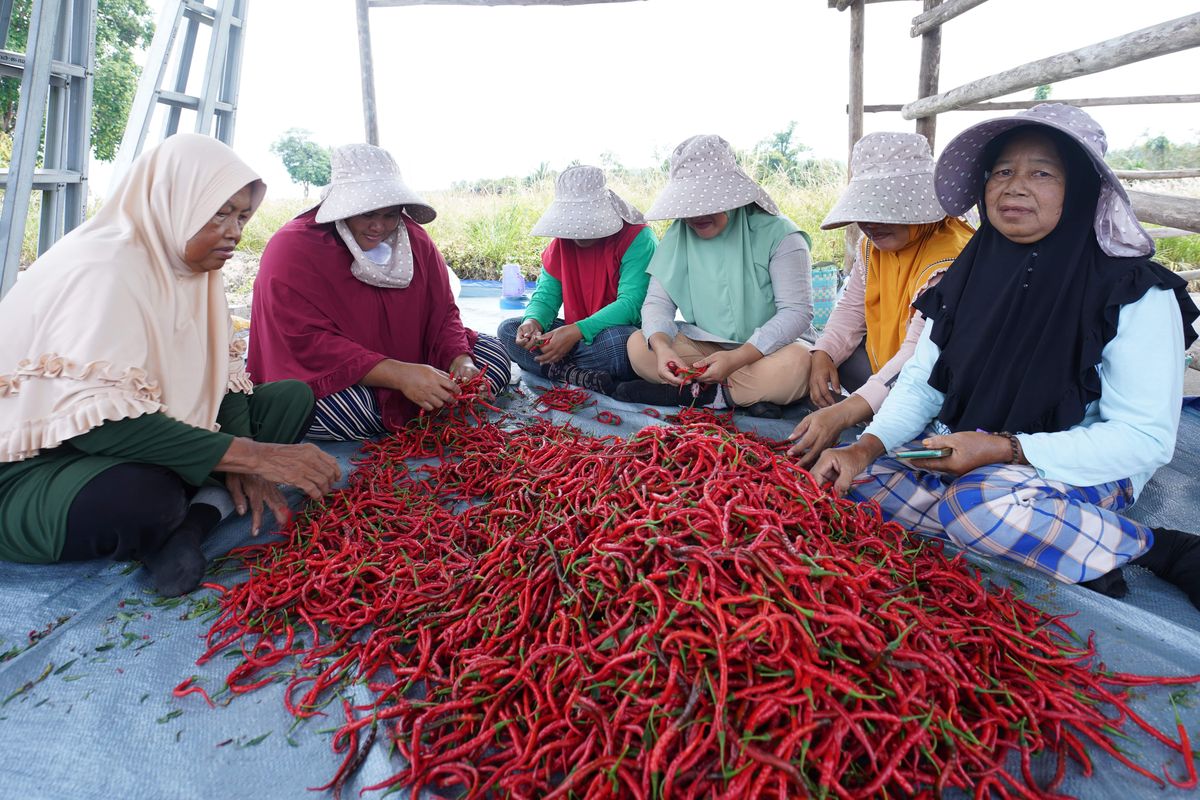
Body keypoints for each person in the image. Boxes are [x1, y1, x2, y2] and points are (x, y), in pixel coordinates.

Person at [811, 104, 1200, 607]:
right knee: (857, 485)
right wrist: (865, 447)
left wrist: (1004, 448)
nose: (1014, 187)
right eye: (1001, 172)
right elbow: (923, 383)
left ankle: (1153, 547)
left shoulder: (1132, 293)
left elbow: (1143, 440)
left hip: (1080, 464)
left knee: (978, 508)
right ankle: (1067, 546)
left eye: (1041, 172)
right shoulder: (966, 276)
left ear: (1080, 187)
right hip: (975, 450)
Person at [0, 134, 342, 596]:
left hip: (142, 437)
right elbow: (98, 427)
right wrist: (253, 455)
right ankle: (194, 509)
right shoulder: (103, 269)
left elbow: (216, 386)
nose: (234, 231)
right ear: (171, 201)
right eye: (219, 212)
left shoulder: (195, 274)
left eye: (242, 215)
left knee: (289, 398)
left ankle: (190, 528)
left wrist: (237, 451)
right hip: (39, 467)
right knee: (143, 498)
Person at [247, 144, 512, 441]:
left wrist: (460, 361)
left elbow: (443, 312)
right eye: (367, 214)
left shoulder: (414, 239)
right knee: (327, 409)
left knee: (494, 358)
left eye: (390, 215)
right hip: (346, 377)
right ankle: (429, 401)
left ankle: (433, 394)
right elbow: (306, 341)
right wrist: (398, 375)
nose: (379, 227)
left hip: (416, 361)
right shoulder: (294, 247)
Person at [788, 133, 974, 465]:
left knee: (924, 426)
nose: (871, 222)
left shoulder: (950, 258)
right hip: (891, 366)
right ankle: (877, 413)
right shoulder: (871, 247)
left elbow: (917, 357)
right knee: (833, 361)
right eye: (865, 209)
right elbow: (850, 310)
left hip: (939, 381)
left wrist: (844, 413)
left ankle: (889, 425)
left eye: (886, 210)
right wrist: (823, 354)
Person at [614, 134, 814, 418]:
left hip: (770, 350)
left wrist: (737, 358)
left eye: (708, 203)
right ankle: (729, 395)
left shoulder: (781, 235)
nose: (697, 216)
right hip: (706, 347)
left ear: (732, 196)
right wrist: (661, 348)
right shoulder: (678, 236)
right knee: (638, 345)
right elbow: (657, 303)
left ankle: (699, 393)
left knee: (797, 366)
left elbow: (796, 313)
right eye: (689, 206)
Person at [498, 165, 655, 395]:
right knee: (508, 330)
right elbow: (546, 296)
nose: (579, 233)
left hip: (611, 334)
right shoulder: (561, 244)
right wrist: (533, 323)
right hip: (575, 336)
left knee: (621, 344)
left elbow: (631, 304)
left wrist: (575, 332)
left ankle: (558, 369)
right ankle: (575, 375)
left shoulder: (636, 237)